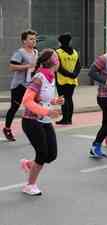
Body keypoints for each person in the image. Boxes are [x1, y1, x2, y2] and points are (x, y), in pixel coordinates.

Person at [20, 49, 64, 196]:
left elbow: (43, 98)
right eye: (57, 57)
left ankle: (29, 164)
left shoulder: (51, 76)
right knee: (42, 153)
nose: (59, 60)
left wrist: (55, 101)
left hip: (44, 121)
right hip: (31, 121)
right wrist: (47, 112)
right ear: (55, 62)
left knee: (51, 155)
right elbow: (26, 101)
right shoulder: (39, 77)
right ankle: (29, 185)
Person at [2, 29, 38, 141]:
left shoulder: (36, 52)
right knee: (14, 108)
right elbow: (12, 67)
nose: (33, 41)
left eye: (34, 39)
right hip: (19, 86)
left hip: (31, 85)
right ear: (24, 41)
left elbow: (35, 67)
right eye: (31, 39)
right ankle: (7, 128)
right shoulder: (20, 53)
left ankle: (34, 132)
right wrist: (27, 66)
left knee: (33, 108)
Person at [55, 33, 81, 125]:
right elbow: (78, 66)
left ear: (60, 42)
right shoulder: (75, 52)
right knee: (69, 99)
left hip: (61, 79)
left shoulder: (57, 52)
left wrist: (68, 74)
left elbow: (58, 67)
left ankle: (65, 119)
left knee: (63, 99)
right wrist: (74, 75)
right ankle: (69, 119)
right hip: (72, 80)